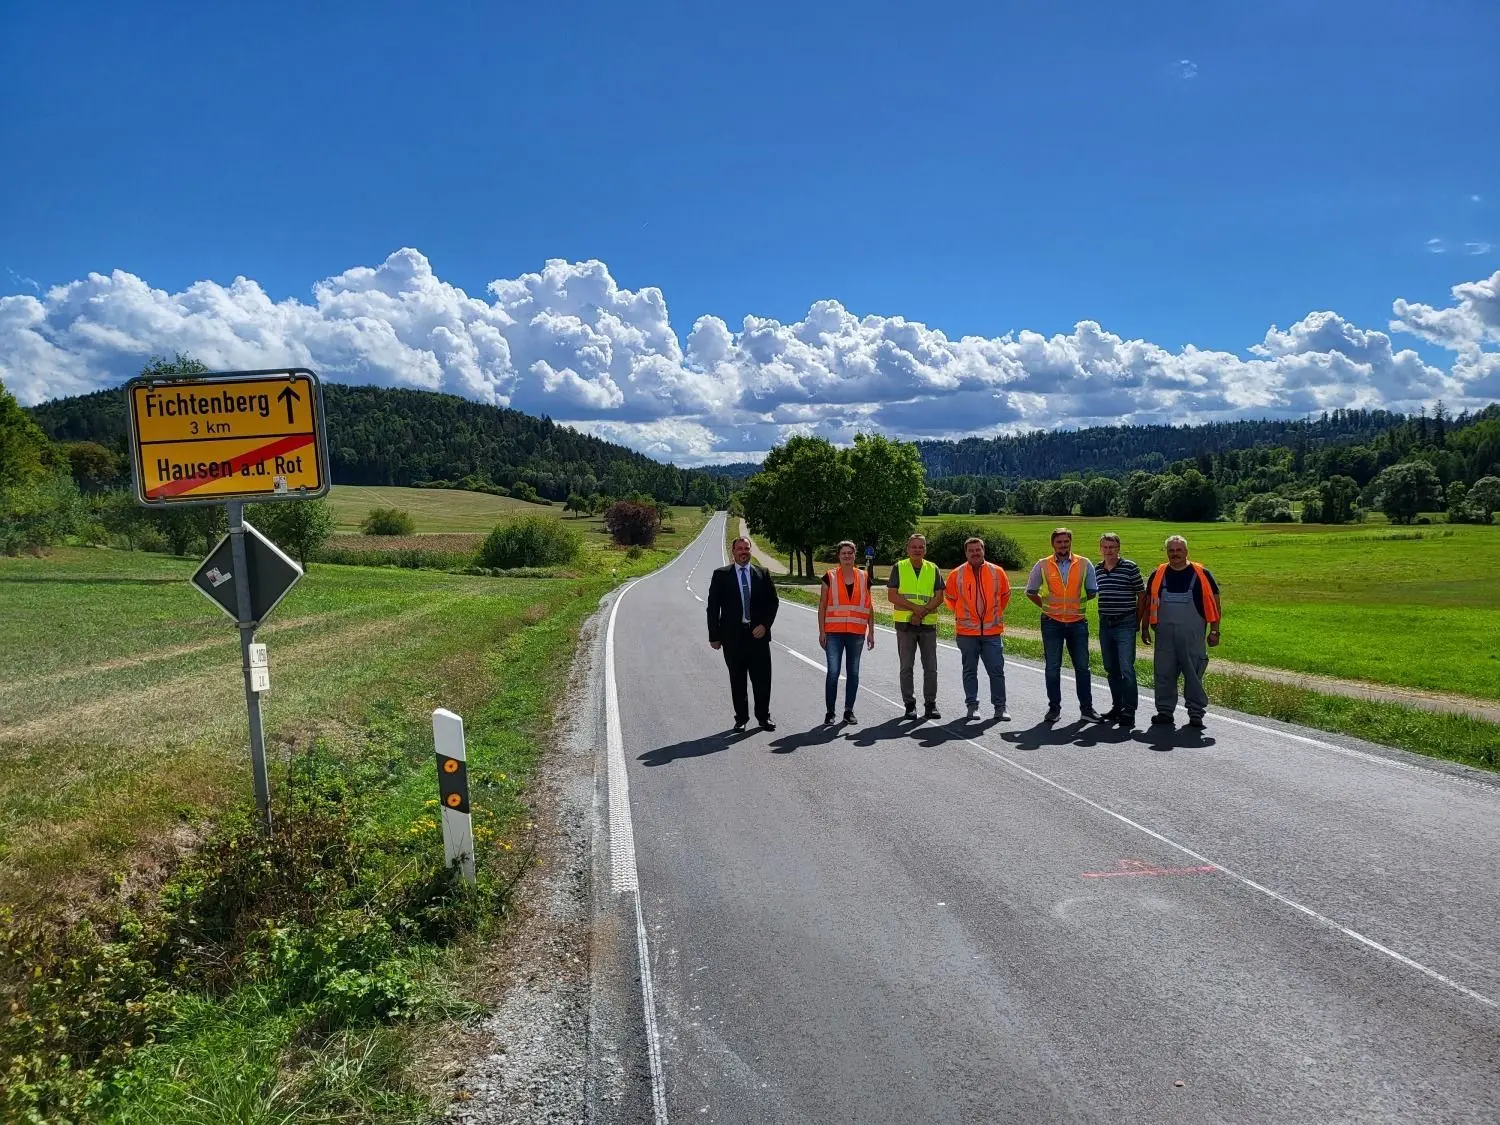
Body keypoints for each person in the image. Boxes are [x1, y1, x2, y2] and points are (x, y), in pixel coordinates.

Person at [1141, 534, 1221, 730]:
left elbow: (1215, 602)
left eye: (1179, 550)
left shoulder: (1202, 574)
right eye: (1171, 550)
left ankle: (1195, 714)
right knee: (1164, 674)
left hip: (1192, 635)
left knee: (1193, 675)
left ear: (1186, 552)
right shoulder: (1158, 573)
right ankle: (1165, 712)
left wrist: (1215, 631)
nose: (1175, 554)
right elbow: (1147, 601)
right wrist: (1144, 627)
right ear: (1167, 552)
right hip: (1164, 635)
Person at [1025, 527, 1101, 723]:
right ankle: (1054, 709)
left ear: (1070, 543)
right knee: (1052, 667)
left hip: (1077, 623)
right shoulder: (1042, 565)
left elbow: (1092, 591)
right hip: (1052, 622)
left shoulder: (1084, 563)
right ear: (1053, 544)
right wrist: (1047, 607)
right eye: (1059, 542)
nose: (1063, 545)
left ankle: (1087, 709)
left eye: (1066, 542)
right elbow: (1031, 591)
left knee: (1083, 668)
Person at [707, 536, 780, 731]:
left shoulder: (762, 574)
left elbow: (773, 603)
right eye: (739, 549)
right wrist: (714, 636)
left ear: (750, 551)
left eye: (746, 548)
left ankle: (764, 717)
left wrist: (765, 625)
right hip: (733, 639)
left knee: (762, 680)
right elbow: (713, 608)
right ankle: (741, 718)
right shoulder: (721, 575)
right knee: (737, 681)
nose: (743, 552)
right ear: (733, 552)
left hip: (758, 638)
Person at [944, 536, 1012, 721]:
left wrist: (993, 615)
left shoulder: (997, 572)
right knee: (969, 671)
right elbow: (950, 599)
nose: (975, 553)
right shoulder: (955, 574)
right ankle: (972, 706)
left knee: (996, 671)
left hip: (992, 632)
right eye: (971, 550)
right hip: (967, 633)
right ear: (966, 553)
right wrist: (962, 615)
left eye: (978, 549)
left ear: (983, 551)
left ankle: (1000, 708)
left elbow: (1005, 596)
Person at [888, 533, 945, 720]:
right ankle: (909, 705)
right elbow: (892, 595)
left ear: (925, 549)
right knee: (906, 667)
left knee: (931, 668)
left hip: (927, 625)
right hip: (905, 624)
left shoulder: (933, 568)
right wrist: (915, 610)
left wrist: (922, 612)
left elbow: (939, 596)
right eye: (914, 547)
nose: (917, 550)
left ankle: (930, 704)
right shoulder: (899, 567)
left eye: (921, 547)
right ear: (908, 549)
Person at [818, 540, 875, 725]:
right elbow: (823, 605)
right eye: (844, 553)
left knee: (854, 673)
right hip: (833, 632)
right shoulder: (830, 576)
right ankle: (830, 712)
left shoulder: (864, 576)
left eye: (850, 552)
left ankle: (849, 711)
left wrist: (871, 631)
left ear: (854, 554)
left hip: (857, 633)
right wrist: (821, 631)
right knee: (833, 672)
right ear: (839, 556)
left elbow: (869, 605)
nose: (847, 556)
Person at [1095, 532, 1146, 727]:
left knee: (1126, 668)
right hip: (1105, 622)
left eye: (1112, 547)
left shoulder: (1130, 567)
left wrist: (1138, 621)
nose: (1109, 551)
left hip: (1125, 622)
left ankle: (1129, 710)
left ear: (1118, 548)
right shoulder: (1097, 569)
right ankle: (1117, 706)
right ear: (1100, 549)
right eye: (1105, 547)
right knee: (1110, 668)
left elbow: (1142, 596)